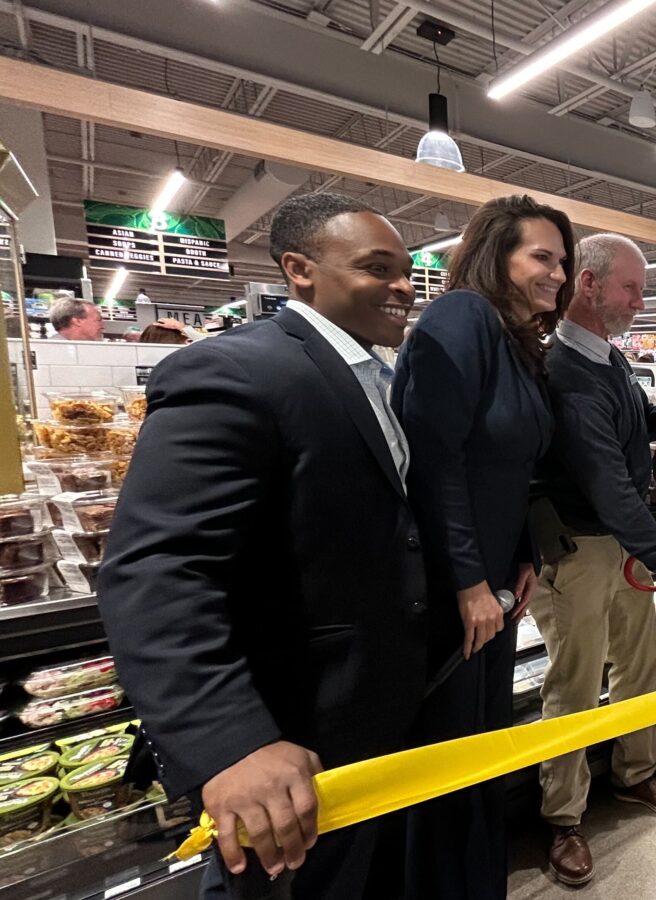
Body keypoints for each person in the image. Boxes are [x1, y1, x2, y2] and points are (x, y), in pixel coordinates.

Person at [97, 193, 424, 897]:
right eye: (377, 268)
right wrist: (231, 742)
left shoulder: (368, 375)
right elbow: (157, 567)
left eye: (406, 271)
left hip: (368, 719)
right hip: (289, 740)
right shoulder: (236, 369)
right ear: (299, 269)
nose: (402, 287)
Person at [393, 195, 571, 899]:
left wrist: (522, 556)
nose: (557, 274)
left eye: (563, 261)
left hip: (494, 581)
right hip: (450, 590)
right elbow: (434, 460)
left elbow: (512, 467)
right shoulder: (460, 316)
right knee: (446, 758)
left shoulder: (517, 343)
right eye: (541, 257)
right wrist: (470, 579)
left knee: (481, 748)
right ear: (495, 256)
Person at [532, 233, 656, 887]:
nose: (642, 300)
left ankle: (636, 773)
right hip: (581, 550)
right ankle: (563, 818)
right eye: (631, 287)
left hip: (623, 548)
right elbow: (606, 484)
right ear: (589, 284)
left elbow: (629, 431)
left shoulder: (608, 359)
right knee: (574, 686)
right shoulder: (562, 372)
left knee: (640, 662)